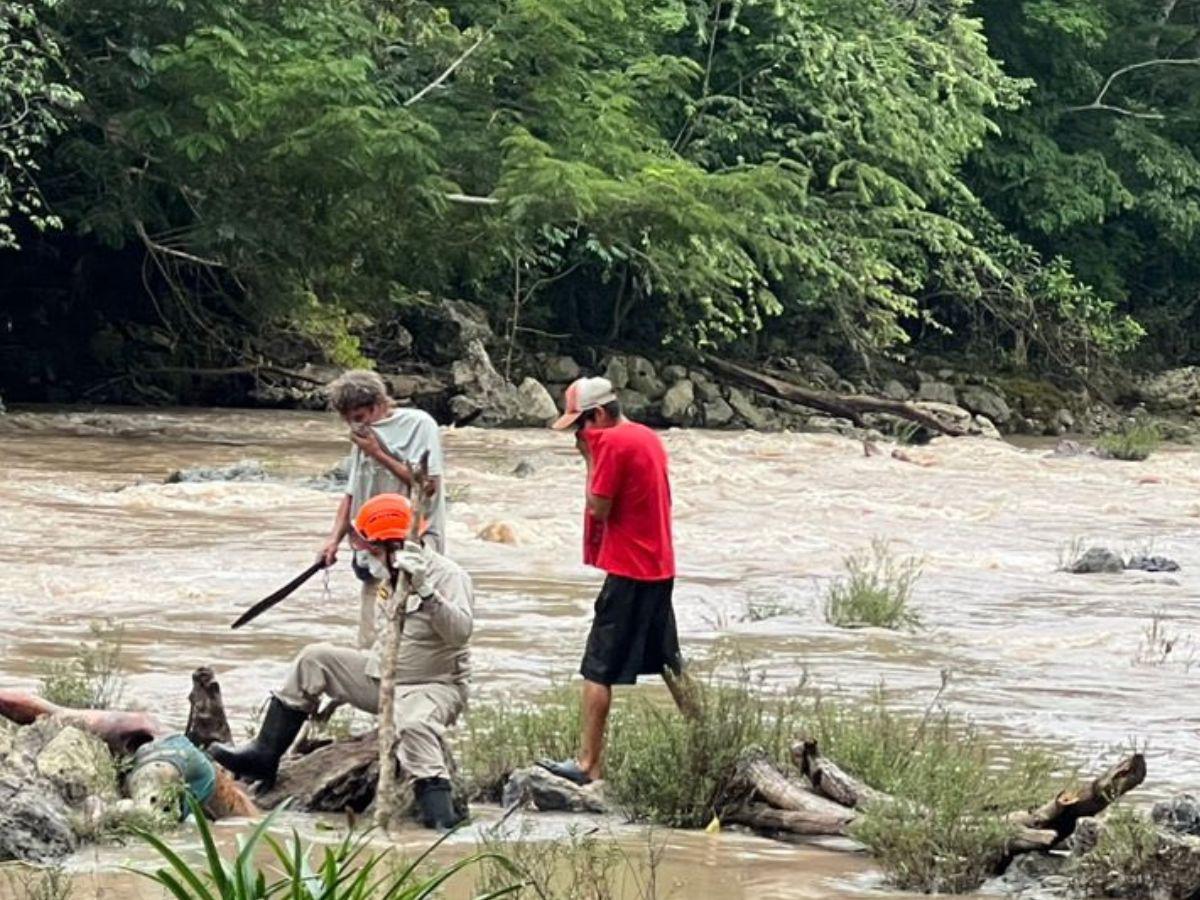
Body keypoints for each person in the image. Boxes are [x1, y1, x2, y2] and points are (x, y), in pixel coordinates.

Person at [212, 493, 473, 830]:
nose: (369, 560)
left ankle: (440, 822)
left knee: (413, 727)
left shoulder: (448, 576)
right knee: (314, 659)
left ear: (397, 546)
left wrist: (426, 591)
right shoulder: (389, 576)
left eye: (374, 552)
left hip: (433, 686)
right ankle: (264, 756)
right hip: (383, 676)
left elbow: (460, 633)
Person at [539, 376, 680, 785]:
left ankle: (588, 764)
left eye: (580, 427)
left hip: (629, 568)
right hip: (658, 564)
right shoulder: (645, 436)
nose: (579, 437)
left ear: (597, 415)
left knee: (596, 668)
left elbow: (598, 507)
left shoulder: (612, 445)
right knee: (671, 662)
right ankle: (707, 736)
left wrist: (589, 458)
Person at [319, 370, 448, 648]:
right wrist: (333, 540)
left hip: (414, 545)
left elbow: (427, 487)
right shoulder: (362, 436)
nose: (355, 427)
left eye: (360, 418)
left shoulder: (419, 425)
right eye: (348, 420)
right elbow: (352, 494)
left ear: (378, 405)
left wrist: (378, 453)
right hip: (372, 548)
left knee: (411, 636)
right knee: (369, 643)